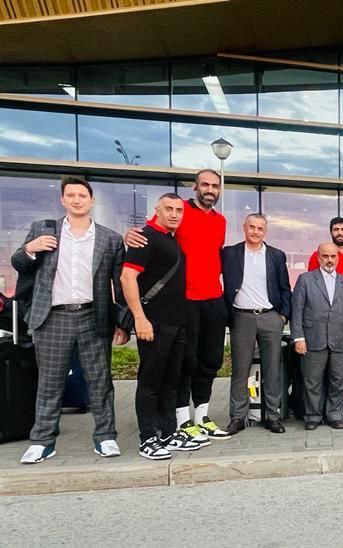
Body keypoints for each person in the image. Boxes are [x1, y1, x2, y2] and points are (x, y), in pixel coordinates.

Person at [15, 176, 129, 464]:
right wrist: (31, 248)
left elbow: (119, 283)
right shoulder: (44, 231)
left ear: (92, 200)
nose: (77, 200)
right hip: (53, 317)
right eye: (71, 195)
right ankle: (42, 441)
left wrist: (123, 322)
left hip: (94, 316)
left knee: (100, 381)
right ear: (62, 200)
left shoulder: (110, 238)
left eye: (82, 195)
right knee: (49, 382)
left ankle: (105, 436)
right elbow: (19, 263)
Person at [124, 169, 230, 443]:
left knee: (210, 360)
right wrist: (129, 235)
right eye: (205, 184)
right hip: (185, 301)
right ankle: (182, 420)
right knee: (186, 363)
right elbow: (149, 233)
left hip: (213, 298)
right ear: (195, 187)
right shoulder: (180, 212)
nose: (210, 189)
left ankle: (202, 416)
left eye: (215, 186)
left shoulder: (220, 221)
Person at [121, 193, 201, 459]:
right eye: (169, 209)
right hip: (154, 324)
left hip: (176, 322)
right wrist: (140, 318)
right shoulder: (145, 237)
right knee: (150, 382)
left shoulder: (170, 239)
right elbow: (127, 278)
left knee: (171, 381)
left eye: (179, 210)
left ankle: (168, 433)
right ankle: (147, 439)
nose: (174, 214)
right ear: (157, 209)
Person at [221, 214, 292, 435]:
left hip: (270, 317)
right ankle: (237, 417)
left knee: (272, 369)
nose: (255, 231)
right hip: (241, 317)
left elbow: (285, 288)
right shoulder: (230, 253)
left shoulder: (276, 255)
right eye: (251, 227)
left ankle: (273, 416)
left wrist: (283, 316)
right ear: (244, 228)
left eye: (260, 228)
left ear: (265, 231)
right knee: (240, 370)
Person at [291, 243, 343, 430]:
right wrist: (298, 338)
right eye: (325, 256)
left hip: (339, 340)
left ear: (338, 258)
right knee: (312, 381)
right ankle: (313, 416)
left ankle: (334, 414)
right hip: (312, 339)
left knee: (338, 380)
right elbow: (297, 310)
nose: (329, 260)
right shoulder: (305, 280)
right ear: (318, 257)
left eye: (333, 256)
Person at [307, 217, 343, 412]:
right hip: (320, 325)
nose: (339, 232)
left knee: (340, 372)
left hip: (342, 321)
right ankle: (318, 409)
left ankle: (336, 408)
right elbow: (311, 287)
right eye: (336, 229)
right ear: (331, 232)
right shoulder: (317, 256)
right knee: (319, 373)